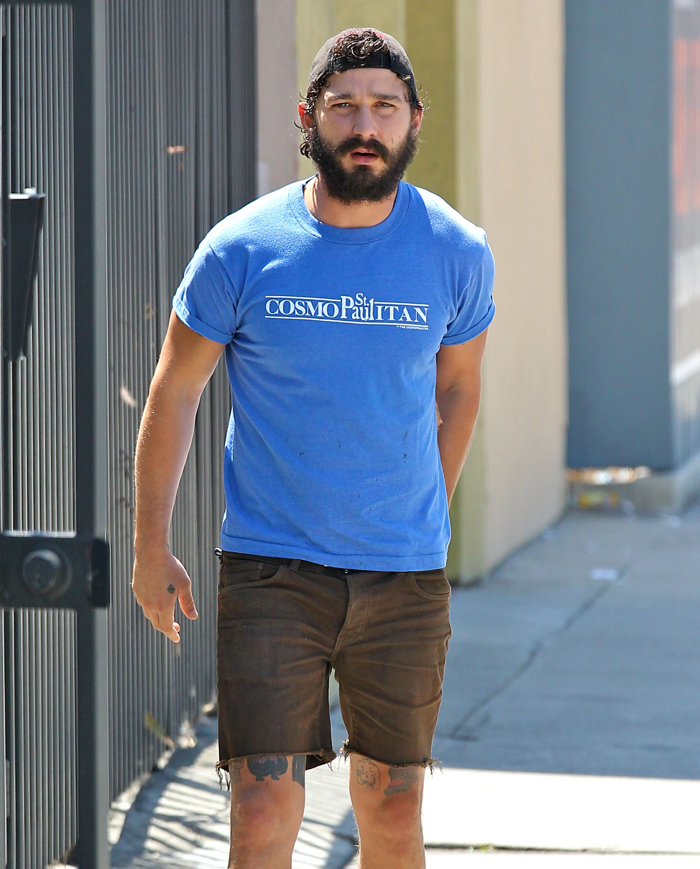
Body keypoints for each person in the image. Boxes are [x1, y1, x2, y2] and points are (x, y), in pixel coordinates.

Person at [131, 27, 494, 869]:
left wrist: (425, 505)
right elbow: (175, 389)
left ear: (412, 122)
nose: (364, 124)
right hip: (270, 567)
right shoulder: (243, 248)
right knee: (261, 807)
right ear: (309, 118)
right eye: (343, 107)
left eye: (384, 107)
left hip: (401, 573)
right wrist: (151, 545)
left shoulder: (456, 251)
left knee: (393, 807)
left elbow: (459, 388)